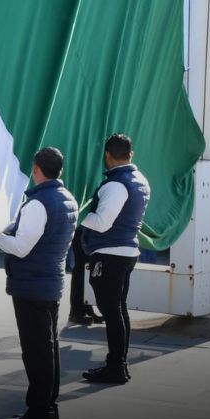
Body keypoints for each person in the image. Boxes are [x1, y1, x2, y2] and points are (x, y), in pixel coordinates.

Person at [0, 147, 77, 419]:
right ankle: (48, 406)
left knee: (36, 352)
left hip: (32, 286)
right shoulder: (68, 199)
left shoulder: (38, 204)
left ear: (36, 169)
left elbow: (21, 247)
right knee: (48, 348)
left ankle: (39, 410)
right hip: (50, 281)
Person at [78, 133, 150, 385]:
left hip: (111, 254)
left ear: (107, 156)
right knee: (118, 309)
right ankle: (118, 364)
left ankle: (116, 367)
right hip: (127, 251)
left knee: (112, 312)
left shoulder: (115, 184)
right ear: (131, 154)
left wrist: (77, 215)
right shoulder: (140, 180)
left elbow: (101, 222)